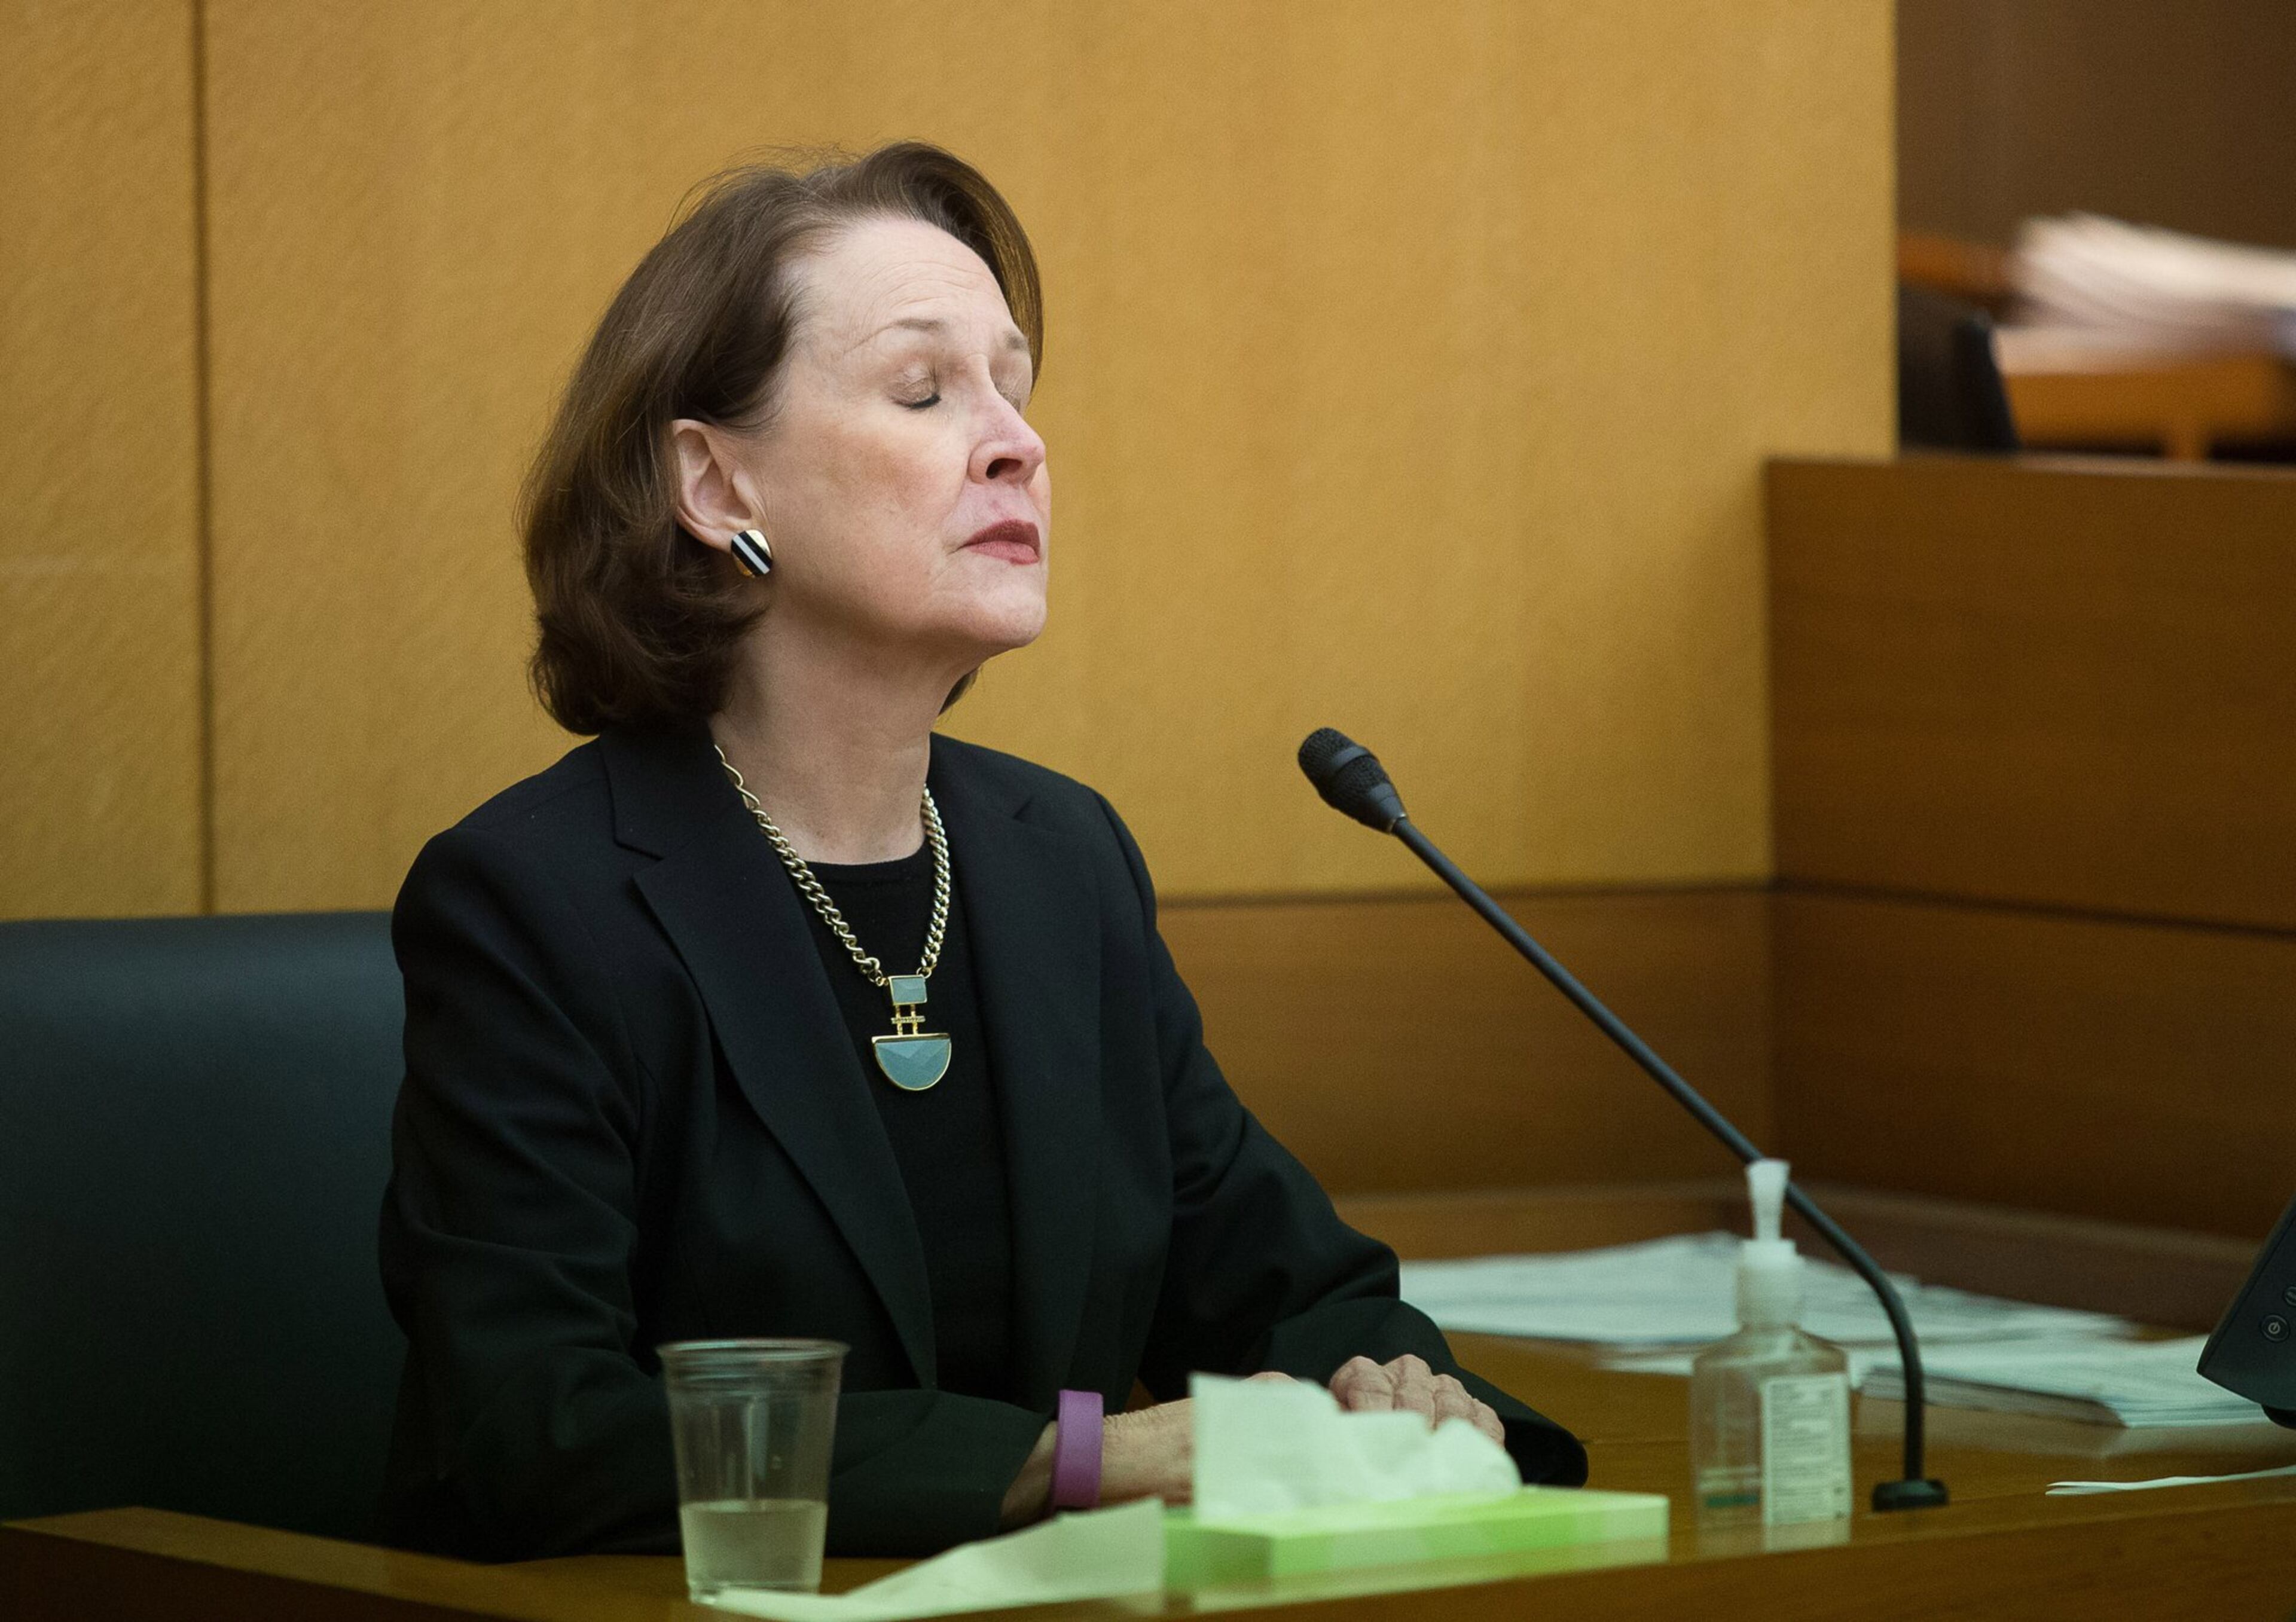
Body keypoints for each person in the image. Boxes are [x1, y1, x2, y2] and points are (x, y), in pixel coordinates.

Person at [377, 141, 1586, 1563]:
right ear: (715, 486)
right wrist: (1070, 1458)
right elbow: (538, 1429)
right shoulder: (539, 902)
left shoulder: (1055, 861)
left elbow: (1279, 1277)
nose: (1017, 439)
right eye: (923, 388)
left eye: (1013, 385)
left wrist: (1386, 1377)